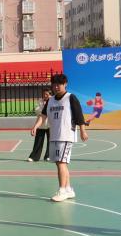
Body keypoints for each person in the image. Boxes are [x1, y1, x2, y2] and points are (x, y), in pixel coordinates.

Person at [31, 73, 88, 202]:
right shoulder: (50, 100)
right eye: (54, 84)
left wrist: (83, 131)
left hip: (66, 135)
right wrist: (36, 126)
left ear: (65, 84)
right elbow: (43, 116)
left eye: (59, 84)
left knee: (61, 162)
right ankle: (68, 189)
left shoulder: (70, 98)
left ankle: (62, 190)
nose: (56, 87)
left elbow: (79, 116)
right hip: (54, 135)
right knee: (60, 163)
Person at [27, 90, 51, 162]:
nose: (45, 96)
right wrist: (44, 108)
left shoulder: (53, 101)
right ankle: (34, 157)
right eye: (44, 94)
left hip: (50, 125)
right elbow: (37, 111)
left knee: (50, 141)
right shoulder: (40, 101)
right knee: (38, 141)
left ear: (50, 95)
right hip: (40, 125)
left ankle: (48, 156)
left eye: (46, 94)